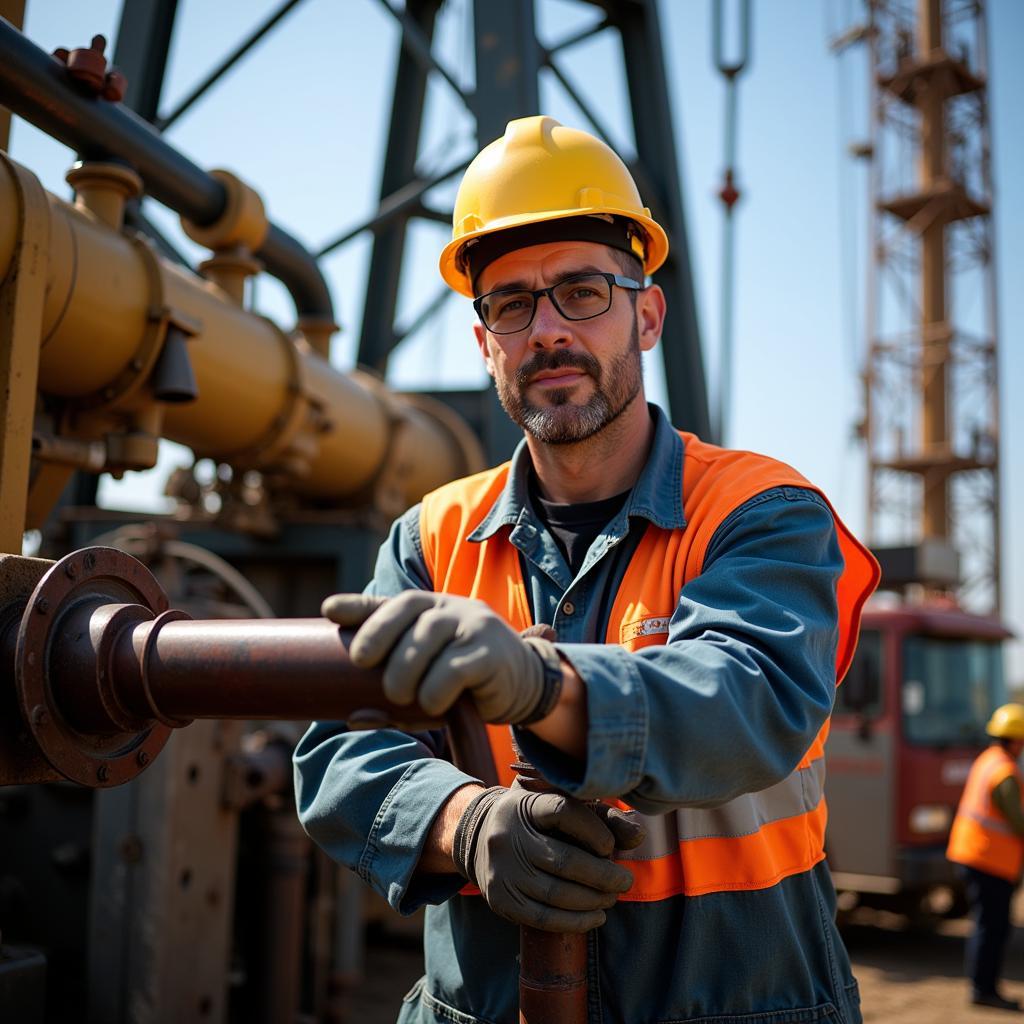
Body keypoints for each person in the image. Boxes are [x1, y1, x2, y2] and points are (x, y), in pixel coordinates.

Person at [294, 115, 879, 1024]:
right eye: (512, 305)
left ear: (646, 313)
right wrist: (466, 825)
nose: (548, 331)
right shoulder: (432, 537)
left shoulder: (762, 510)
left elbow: (750, 693)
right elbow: (340, 748)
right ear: (484, 341)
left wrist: (545, 684)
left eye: (582, 292)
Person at [947, 703, 1024, 1012]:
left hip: (975, 854)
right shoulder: (1004, 772)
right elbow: (1018, 822)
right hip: (988, 859)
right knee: (991, 927)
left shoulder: (988, 759)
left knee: (989, 924)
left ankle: (983, 987)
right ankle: (984, 989)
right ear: (1016, 740)